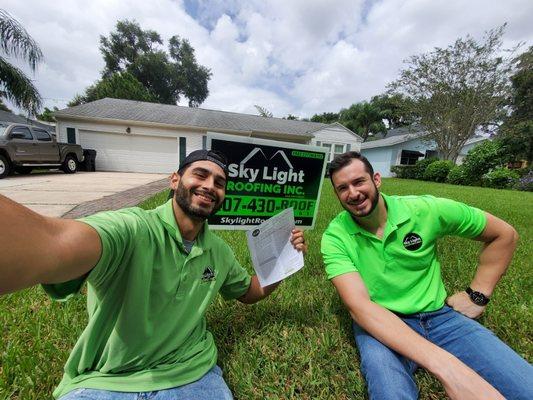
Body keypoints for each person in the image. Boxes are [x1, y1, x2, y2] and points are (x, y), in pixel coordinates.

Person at [0, 149, 307, 400]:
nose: (210, 186)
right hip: (108, 382)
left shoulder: (220, 252)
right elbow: (53, 242)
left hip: (193, 376)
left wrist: (283, 260)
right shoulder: (132, 228)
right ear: (175, 180)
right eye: (200, 174)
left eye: (219, 182)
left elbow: (250, 293)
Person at [321, 151, 533, 400]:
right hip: (382, 323)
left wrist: (478, 294)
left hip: (441, 318)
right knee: (390, 394)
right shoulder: (335, 237)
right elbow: (360, 307)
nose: (353, 193)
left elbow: (504, 234)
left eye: (359, 182)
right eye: (343, 188)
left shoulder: (424, 209)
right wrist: (448, 368)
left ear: (376, 179)